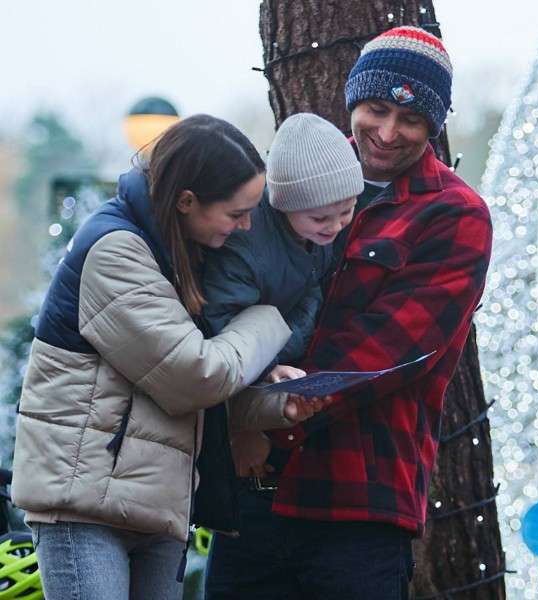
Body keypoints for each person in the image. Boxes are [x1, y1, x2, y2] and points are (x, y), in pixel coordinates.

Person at [204, 25, 493, 599]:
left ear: (434, 125)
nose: (388, 132)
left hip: (357, 502)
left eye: (411, 120)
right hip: (253, 493)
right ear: (353, 100)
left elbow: (385, 355)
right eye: (376, 108)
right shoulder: (291, 178)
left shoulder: (456, 216)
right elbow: (228, 290)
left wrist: (258, 414)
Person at [11, 115, 325, 600]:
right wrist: (267, 317)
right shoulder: (115, 252)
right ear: (186, 202)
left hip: (155, 506)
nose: (247, 226)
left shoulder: (184, 254)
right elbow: (194, 376)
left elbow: (174, 392)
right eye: (236, 213)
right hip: (87, 505)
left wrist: (275, 403)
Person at [201, 112, 363, 480]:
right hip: (236, 375)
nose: (335, 226)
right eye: (321, 218)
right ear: (284, 204)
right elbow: (219, 322)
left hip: (280, 360)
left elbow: (314, 288)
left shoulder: (321, 239)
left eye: (346, 212)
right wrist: (267, 366)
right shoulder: (245, 244)